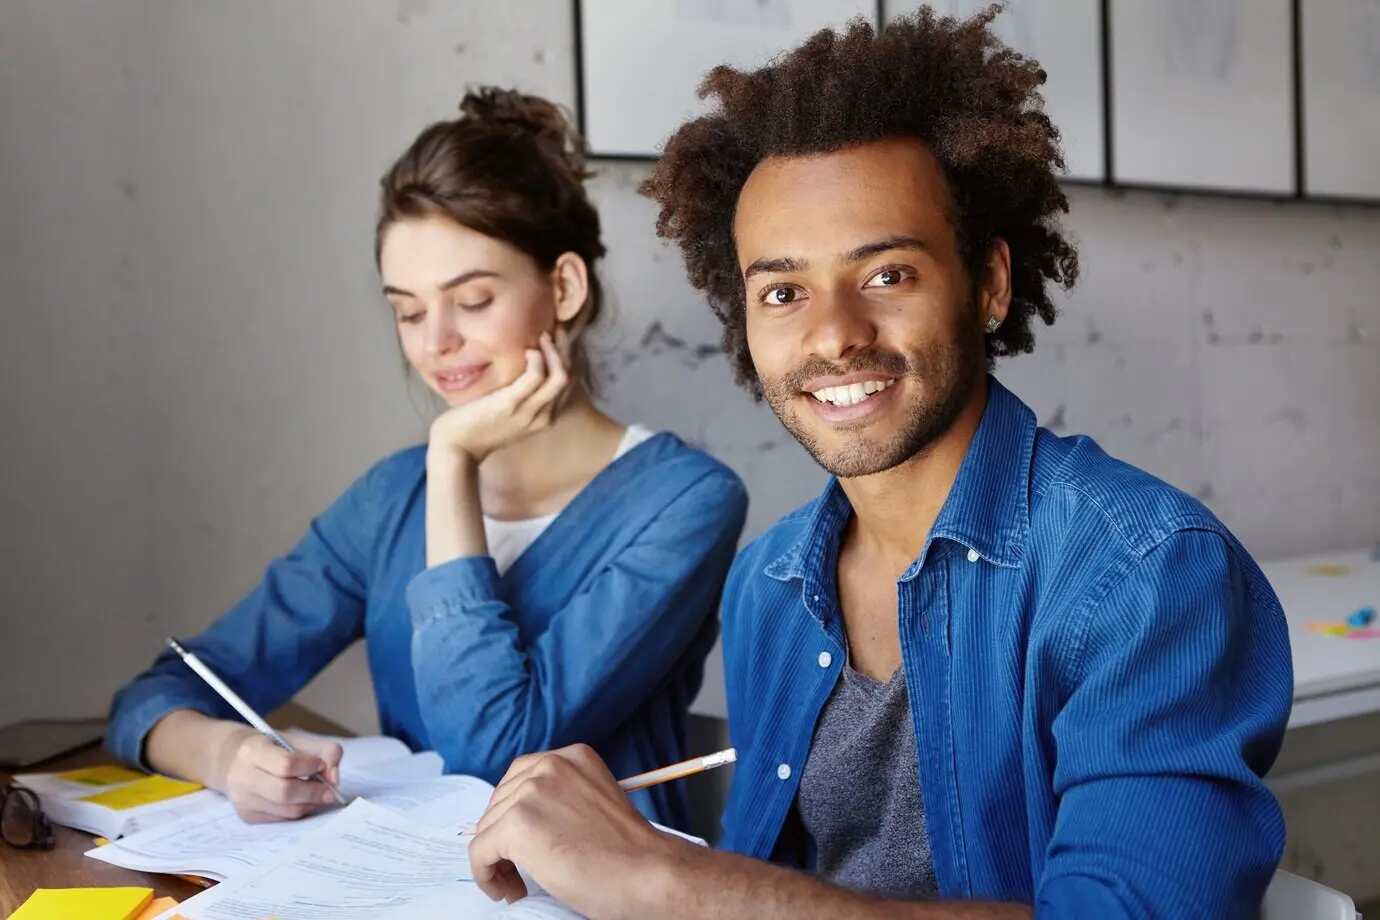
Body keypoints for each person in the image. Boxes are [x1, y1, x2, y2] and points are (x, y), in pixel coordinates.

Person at [464, 9, 1293, 919]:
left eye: (887, 274)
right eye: (783, 291)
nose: (834, 335)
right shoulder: (768, 587)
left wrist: (664, 878)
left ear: (988, 284)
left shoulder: (1148, 574)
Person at [105, 87, 748, 832]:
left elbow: (492, 749)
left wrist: (453, 459)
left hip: (587, 886)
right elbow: (155, 697)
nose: (434, 342)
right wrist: (226, 754)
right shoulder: (389, 500)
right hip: (405, 879)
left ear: (564, 287)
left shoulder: (685, 502)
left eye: (471, 301)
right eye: (407, 311)